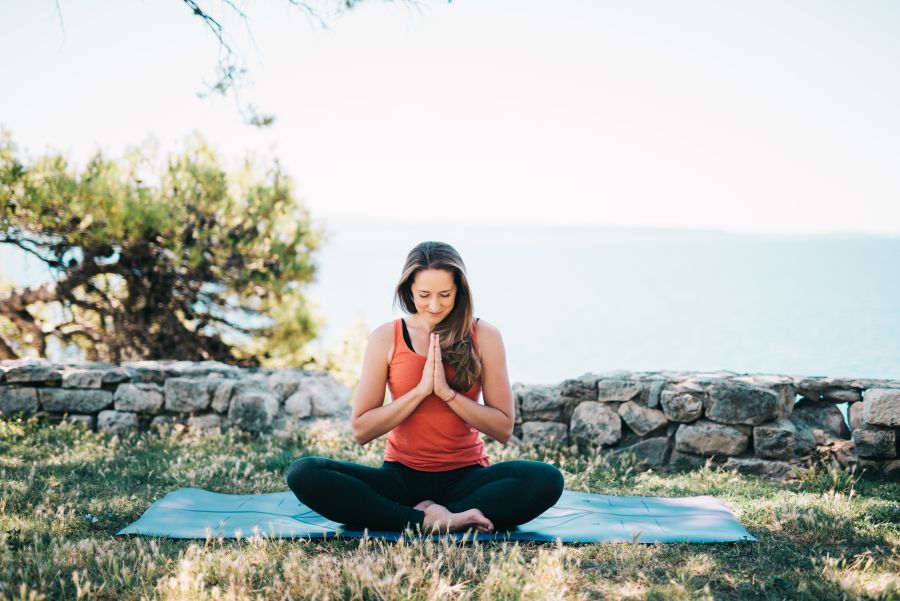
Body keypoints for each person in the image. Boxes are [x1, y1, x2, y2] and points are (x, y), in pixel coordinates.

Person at [286, 241, 564, 535]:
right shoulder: (386, 337)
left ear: (459, 290)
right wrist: (420, 391)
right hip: (401, 479)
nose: (434, 305)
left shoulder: (484, 335)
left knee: (545, 479)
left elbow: (503, 428)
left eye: (445, 294)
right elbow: (362, 430)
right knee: (305, 473)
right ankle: (433, 520)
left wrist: (447, 394)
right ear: (409, 290)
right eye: (424, 295)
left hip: (466, 479)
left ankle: (425, 515)